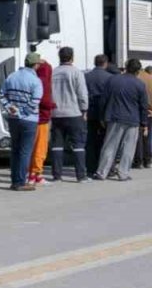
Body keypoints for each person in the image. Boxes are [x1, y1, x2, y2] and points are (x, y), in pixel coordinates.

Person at [94, 59, 148, 182]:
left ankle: (102, 172)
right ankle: (123, 173)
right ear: (138, 71)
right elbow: (143, 106)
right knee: (128, 148)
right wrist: (144, 123)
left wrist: (102, 117)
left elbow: (104, 100)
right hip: (133, 120)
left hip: (114, 117)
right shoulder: (140, 84)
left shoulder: (113, 80)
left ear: (126, 67)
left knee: (110, 146)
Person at [1, 53, 44, 191]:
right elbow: (35, 101)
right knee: (25, 151)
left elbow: (2, 95)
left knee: (15, 150)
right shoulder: (35, 81)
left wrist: (10, 107)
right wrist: (23, 111)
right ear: (36, 65)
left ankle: (14, 180)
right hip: (29, 119)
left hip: (13, 119)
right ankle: (20, 182)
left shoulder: (11, 76)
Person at [49, 46, 89, 182]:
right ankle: (81, 176)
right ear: (72, 57)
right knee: (78, 144)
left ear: (59, 57)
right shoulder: (76, 73)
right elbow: (82, 94)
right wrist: (84, 110)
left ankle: (56, 175)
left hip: (56, 114)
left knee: (56, 145)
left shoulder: (53, 73)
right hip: (73, 112)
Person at [84, 55, 115, 175]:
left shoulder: (86, 76)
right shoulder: (110, 78)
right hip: (105, 114)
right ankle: (107, 168)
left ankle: (90, 168)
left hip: (90, 112)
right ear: (106, 63)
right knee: (107, 141)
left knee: (90, 141)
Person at [28, 57, 56, 187]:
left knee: (31, 148)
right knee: (40, 148)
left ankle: (31, 173)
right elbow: (44, 101)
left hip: (29, 118)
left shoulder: (31, 79)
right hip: (42, 119)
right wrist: (52, 105)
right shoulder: (44, 81)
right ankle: (36, 174)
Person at [133, 64, 152, 169]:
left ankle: (138, 161)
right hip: (149, 110)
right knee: (147, 137)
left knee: (138, 137)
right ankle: (147, 160)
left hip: (137, 110)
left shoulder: (136, 78)